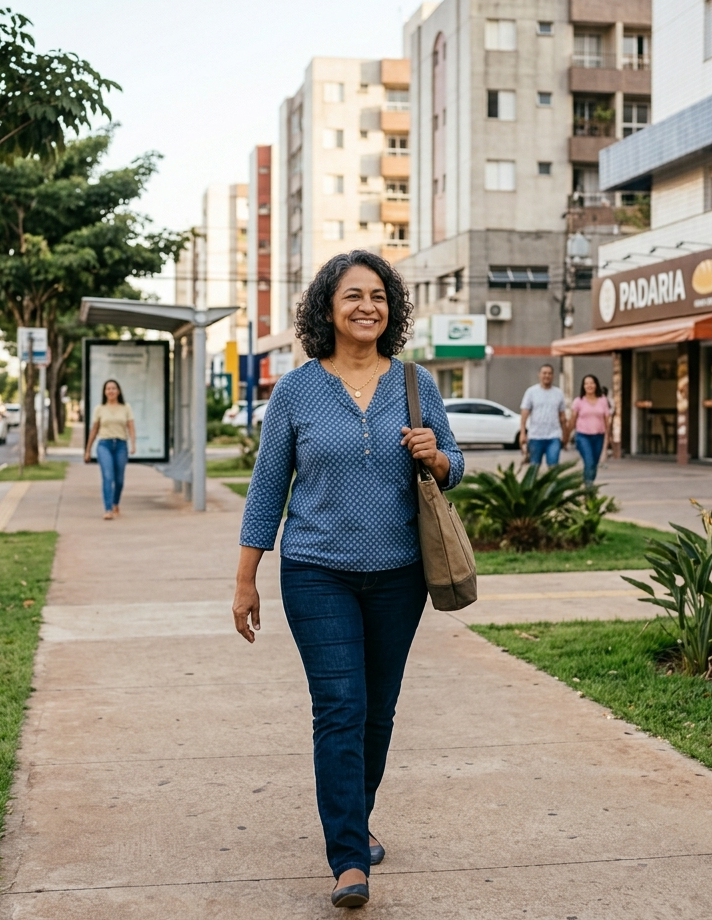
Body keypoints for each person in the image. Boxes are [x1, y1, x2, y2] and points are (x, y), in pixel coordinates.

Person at [232, 250, 464, 910]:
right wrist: (245, 580)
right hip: (315, 572)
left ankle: (352, 823)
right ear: (326, 310)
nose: (368, 306)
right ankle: (347, 861)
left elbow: (455, 468)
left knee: (377, 712)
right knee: (340, 707)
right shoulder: (298, 391)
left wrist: (438, 456)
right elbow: (267, 488)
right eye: (353, 295)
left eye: (379, 296)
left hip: (400, 576)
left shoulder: (416, 382)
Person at [84, 379, 135, 520]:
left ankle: (115, 503)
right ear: (104, 392)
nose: (111, 391)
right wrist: (88, 450)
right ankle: (108, 509)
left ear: (118, 391)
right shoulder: (100, 409)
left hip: (120, 445)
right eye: (108, 389)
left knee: (119, 480)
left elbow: (130, 426)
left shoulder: (126, 408)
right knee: (108, 476)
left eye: (113, 388)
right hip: (104, 445)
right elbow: (94, 430)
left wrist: (133, 444)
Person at [520, 364, 567, 468]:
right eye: (544, 373)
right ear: (539, 375)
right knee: (534, 468)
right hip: (536, 436)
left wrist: (565, 435)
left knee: (553, 467)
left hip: (554, 436)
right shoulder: (531, 392)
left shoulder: (558, 393)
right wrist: (523, 433)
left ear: (553, 376)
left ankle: (552, 484)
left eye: (549, 373)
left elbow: (562, 417)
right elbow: (524, 414)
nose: (547, 376)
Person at [568, 374, 611, 484]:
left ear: (596, 385)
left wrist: (607, 441)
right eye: (586, 383)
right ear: (583, 386)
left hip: (598, 437)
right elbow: (573, 420)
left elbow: (607, 421)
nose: (589, 386)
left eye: (591, 383)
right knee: (589, 462)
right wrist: (566, 436)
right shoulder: (578, 401)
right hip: (583, 436)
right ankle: (589, 490)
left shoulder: (603, 400)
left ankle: (588, 484)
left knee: (594, 464)